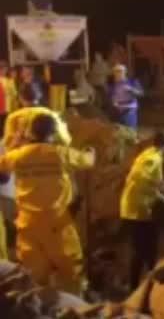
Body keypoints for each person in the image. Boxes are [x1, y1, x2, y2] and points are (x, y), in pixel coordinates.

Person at [0, 114, 96, 294]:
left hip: (27, 225)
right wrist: (90, 151)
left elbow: (2, 169)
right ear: (52, 133)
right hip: (57, 225)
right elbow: (88, 161)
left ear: (30, 133)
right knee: (71, 273)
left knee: (33, 277)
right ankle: (74, 308)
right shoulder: (59, 153)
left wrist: (13, 145)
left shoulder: (18, 156)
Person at [120, 131, 164, 290]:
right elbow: (141, 179)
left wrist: (163, 196)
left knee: (145, 250)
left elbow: (145, 184)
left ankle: (141, 286)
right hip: (138, 211)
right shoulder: (153, 158)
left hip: (136, 209)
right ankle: (143, 288)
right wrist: (161, 185)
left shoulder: (146, 154)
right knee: (145, 251)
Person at [3, 84, 71, 151]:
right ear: (39, 96)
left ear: (20, 98)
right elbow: (65, 141)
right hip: (50, 155)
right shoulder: (51, 114)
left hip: (22, 157)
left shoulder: (13, 117)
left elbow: (8, 147)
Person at [108, 64, 144, 129]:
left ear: (125, 72)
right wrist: (113, 102)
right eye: (116, 72)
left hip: (129, 109)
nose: (118, 74)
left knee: (130, 130)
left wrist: (131, 89)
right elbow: (111, 96)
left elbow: (141, 93)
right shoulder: (112, 85)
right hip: (117, 111)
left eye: (120, 71)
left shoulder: (132, 82)